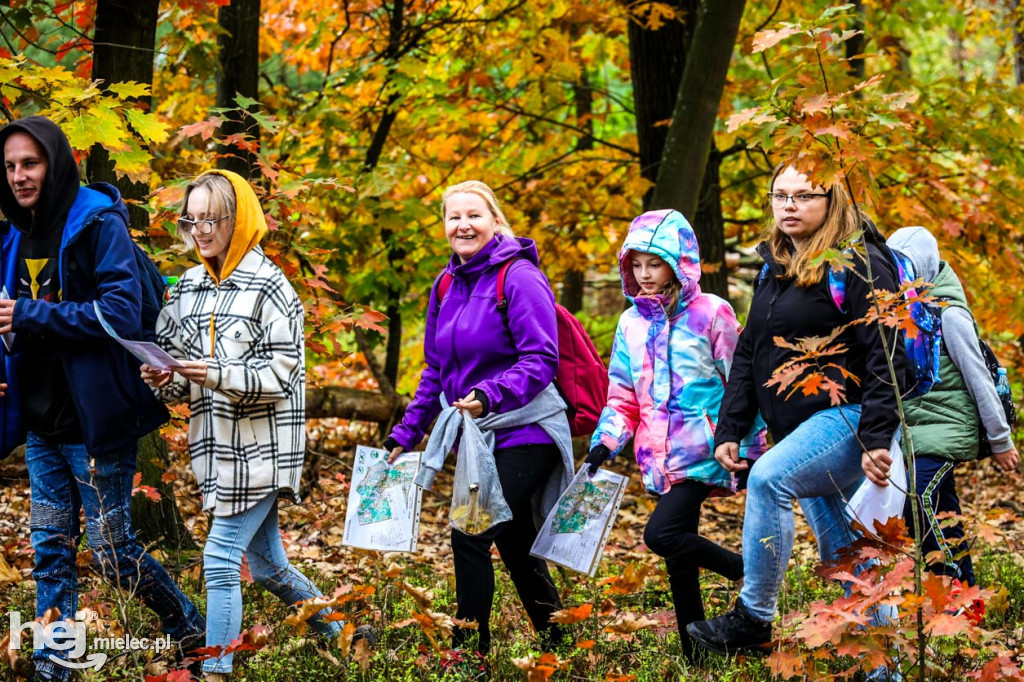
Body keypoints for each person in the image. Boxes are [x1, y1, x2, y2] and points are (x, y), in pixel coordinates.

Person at [0, 116, 204, 681]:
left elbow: (119, 311)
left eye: (30, 163)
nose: (19, 176)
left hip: (95, 417)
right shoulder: (13, 233)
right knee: (49, 547)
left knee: (113, 549)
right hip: (43, 420)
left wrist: (31, 314)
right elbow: (7, 317)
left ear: (56, 162)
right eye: (11, 166)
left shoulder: (97, 220)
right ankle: (53, 666)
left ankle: (190, 628)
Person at [686, 165, 907, 656]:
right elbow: (750, 351)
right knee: (848, 554)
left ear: (832, 201)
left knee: (768, 479)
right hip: (798, 428)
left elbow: (885, 354)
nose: (788, 205)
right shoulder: (776, 264)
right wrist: (732, 427)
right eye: (780, 195)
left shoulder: (862, 262)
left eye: (804, 195)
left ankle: (754, 617)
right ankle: (883, 667)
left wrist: (875, 437)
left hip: (845, 419)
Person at [140, 170, 339, 679]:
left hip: (264, 447)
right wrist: (162, 376)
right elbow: (183, 382)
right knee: (270, 567)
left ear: (238, 218)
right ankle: (345, 632)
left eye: (213, 218)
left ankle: (216, 670)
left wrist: (216, 373)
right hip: (215, 447)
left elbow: (280, 374)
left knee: (220, 558)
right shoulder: (186, 288)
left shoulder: (271, 286)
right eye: (192, 219)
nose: (201, 229)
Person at [382, 180, 574, 659]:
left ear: (494, 221)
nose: (463, 225)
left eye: (474, 215)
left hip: (528, 426)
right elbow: (435, 369)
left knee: (470, 531)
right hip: (476, 431)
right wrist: (407, 432)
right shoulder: (446, 284)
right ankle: (558, 641)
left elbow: (540, 359)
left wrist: (487, 395)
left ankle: (467, 658)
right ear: (444, 225)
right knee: (510, 539)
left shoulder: (519, 277)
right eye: (453, 217)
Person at [583, 209, 768, 659]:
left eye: (656, 263)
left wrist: (752, 447)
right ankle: (696, 654)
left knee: (660, 535)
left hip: (706, 449)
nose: (645, 275)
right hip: (657, 456)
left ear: (679, 262)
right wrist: (605, 442)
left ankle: (744, 570)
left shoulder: (712, 313)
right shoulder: (630, 324)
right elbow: (623, 395)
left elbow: (741, 382)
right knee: (678, 561)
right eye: (637, 265)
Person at [887, 226, 1019, 606]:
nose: (900, 277)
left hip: (946, 430)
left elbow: (979, 378)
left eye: (907, 268)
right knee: (945, 513)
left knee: (919, 501)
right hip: (916, 433)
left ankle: (947, 592)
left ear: (925, 267)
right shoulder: (901, 314)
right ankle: (970, 599)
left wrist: (1000, 440)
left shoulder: (948, 315)